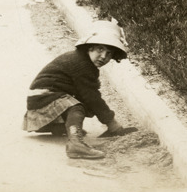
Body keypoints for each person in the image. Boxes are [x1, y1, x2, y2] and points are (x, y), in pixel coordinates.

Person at [23, 19, 136, 160]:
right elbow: (92, 97)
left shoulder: (83, 60)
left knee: (83, 104)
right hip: (43, 98)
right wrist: (112, 124)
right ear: (90, 47)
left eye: (109, 53)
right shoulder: (82, 64)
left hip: (43, 99)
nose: (103, 57)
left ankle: (58, 126)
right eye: (100, 49)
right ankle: (75, 144)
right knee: (77, 107)